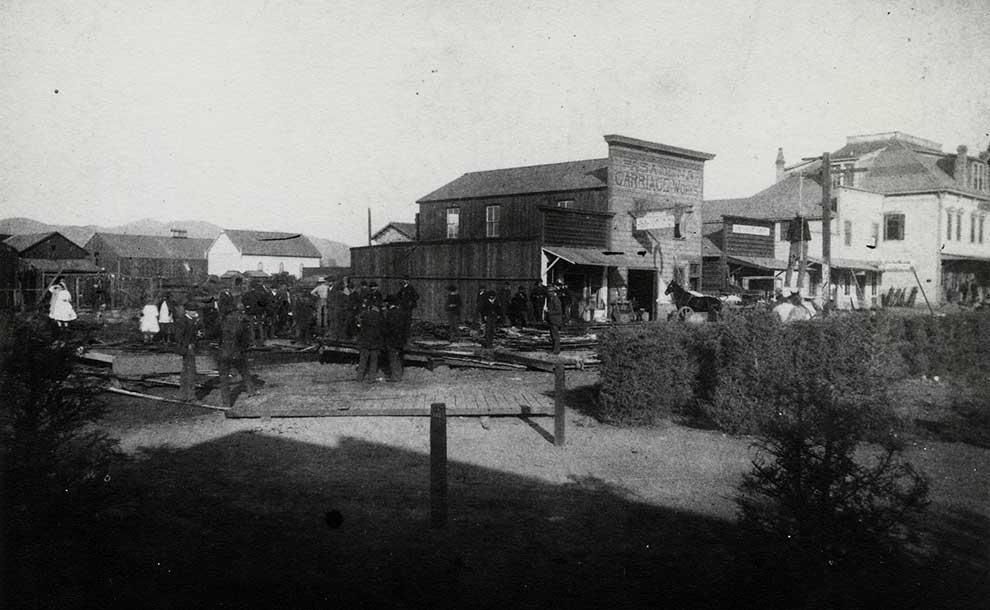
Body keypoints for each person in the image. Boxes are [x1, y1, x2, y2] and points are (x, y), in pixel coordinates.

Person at [216, 300, 257, 409]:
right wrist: (243, 348)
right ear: (234, 312)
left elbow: (217, 338)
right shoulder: (239, 324)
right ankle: (251, 390)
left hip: (223, 353)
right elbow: (244, 340)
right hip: (236, 353)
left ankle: (226, 402)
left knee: (224, 378)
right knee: (244, 371)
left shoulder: (221, 324)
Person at [172, 301, 201, 402]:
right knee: (190, 372)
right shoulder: (183, 321)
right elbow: (178, 336)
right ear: (187, 311)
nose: (195, 312)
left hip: (190, 348)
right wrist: (186, 345)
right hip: (188, 349)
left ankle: (183, 395)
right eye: (193, 311)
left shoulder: (191, 320)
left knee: (186, 371)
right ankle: (190, 396)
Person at [355, 299, 384, 382]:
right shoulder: (380, 317)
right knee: (373, 361)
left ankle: (359, 377)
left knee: (363, 360)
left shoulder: (365, 315)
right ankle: (372, 378)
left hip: (365, 341)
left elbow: (360, 327)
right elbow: (382, 330)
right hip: (375, 342)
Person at [383, 296, 409, 382]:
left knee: (393, 357)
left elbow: (388, 327)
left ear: (389, 303)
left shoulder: (390, 313)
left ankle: (395, 376)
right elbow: (406, 326)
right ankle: (400, 374)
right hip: (401, 339)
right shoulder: (402, 312)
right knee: (400, 357)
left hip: (392, 339)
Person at [546, 285, 563, 354]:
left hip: (555, 320)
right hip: (552, 320)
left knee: (555, 336)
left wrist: (549, 312)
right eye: (548, 292)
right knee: (553, 335)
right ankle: (554, 349)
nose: (548, 293)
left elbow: (558, 310)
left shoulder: (555, 299)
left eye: (549, 292)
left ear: (553, 292)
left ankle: (556, 350)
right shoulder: (552, 299)